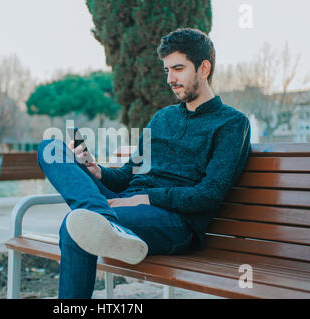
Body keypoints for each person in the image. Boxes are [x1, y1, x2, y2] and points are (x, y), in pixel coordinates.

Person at [37, 28, 251, 299]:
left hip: (174, 222)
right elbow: (131, 173)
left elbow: (208, 195)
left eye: (178, 68)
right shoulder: (162, 118)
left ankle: (99, 218)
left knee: (75, 225)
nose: (170, 79)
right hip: (125, 204)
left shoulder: (232, 124)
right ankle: (101, 217)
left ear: (204, 68)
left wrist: (144, 199)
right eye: (166, 71)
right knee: (50, 148)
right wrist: (98, 172)